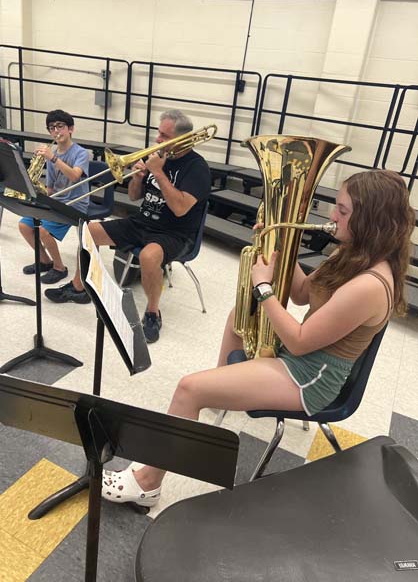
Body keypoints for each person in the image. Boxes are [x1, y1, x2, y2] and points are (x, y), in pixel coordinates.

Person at [100, 169, 415, 507]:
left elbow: (298, 341)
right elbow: (302, 294)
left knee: (189, 388)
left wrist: (263, 287)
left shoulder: (370, 284)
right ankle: (218, 391)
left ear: (370, 220)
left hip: (310, 378)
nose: (331, 214)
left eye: (342, 210)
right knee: (239, 316)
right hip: (302, 358)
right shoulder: (349, 254)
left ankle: (148, 485)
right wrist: (278, 244)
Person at [45, 109, 212, 343]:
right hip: (142, 223)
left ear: (181, 139)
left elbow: (180, 208)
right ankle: (79, 287)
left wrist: (158, 173)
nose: (157, 140)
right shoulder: (159, 157)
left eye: (164, 136)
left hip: (176, 232)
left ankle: (153, 313)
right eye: (159, 133)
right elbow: (134, 197)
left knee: (148, 256)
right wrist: (138, 179)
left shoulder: (197, 168)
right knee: (88, 232)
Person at [19, 109, 90, 284]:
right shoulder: (53, 154)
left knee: (43, 230)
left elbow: (74, 176)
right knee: (24, 225)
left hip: (76, 203)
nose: (56, 131)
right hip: (57, 200)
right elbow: (51, 188)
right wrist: (37, 191)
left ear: (70, 129)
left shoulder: (80, 153)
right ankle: (45, 261)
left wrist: (52, 159)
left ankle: (59, 268)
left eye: (60, 126)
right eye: (52, 128)